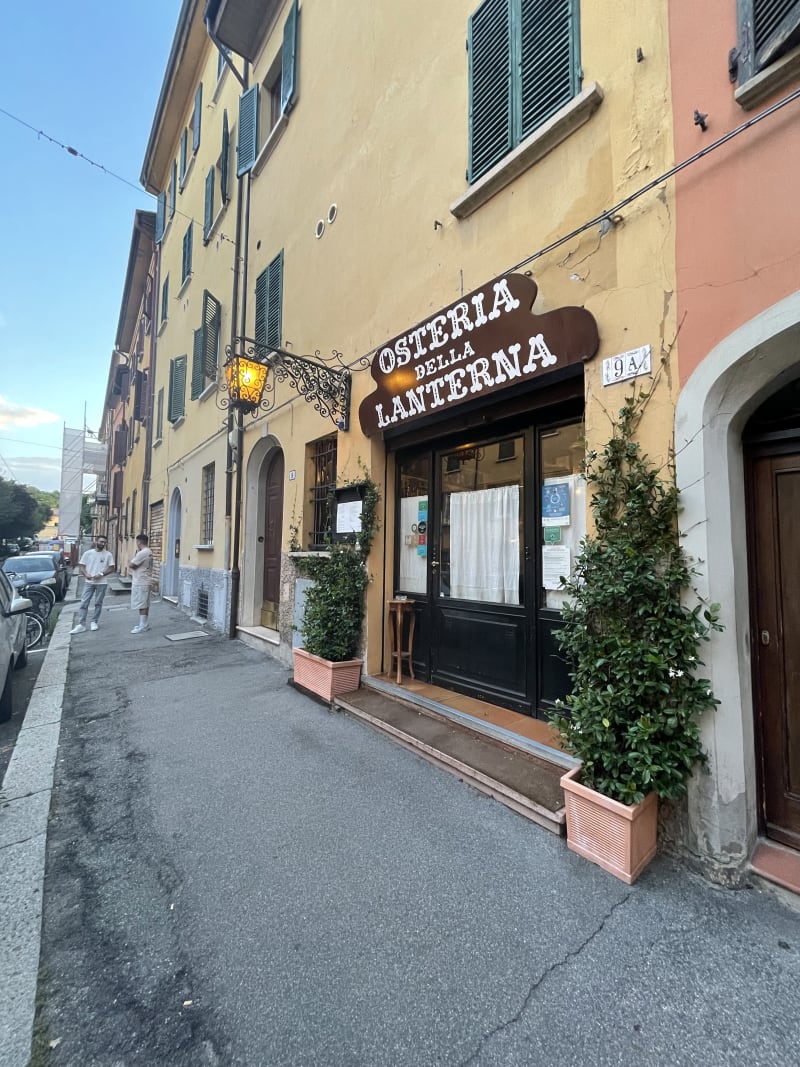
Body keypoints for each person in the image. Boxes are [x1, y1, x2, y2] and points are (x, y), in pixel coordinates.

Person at [71, 535, 115, 634]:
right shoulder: (88, 553)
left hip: (102, 582)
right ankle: (81, 624)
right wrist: (86, 574)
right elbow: (81, 566)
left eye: (104, 542)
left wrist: (101, 574)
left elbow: (112, 568)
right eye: (101, 541)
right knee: (84, 602)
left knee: (98, 603)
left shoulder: (108, 554)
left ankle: (94, 621)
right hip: (89, 582)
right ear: (96, 541)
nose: (102, 544)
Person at [128, 533, 154, 634]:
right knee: (145, 603)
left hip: (141, 581)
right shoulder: (148, 551)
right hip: (145, 580)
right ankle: (144, 624)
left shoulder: (143, 552)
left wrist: (132, 562)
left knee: (141, 604)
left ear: (138, 542)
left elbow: (132, 565)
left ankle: (142, 625)